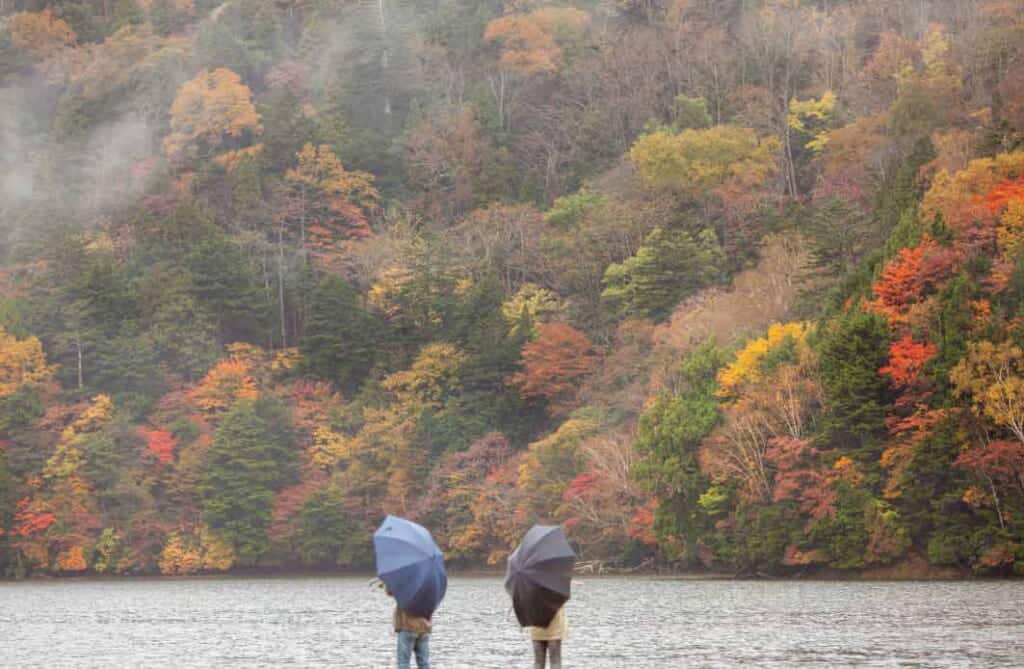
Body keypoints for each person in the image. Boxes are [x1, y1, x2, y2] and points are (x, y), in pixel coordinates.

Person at [390, 591, 432, 669]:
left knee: (403, 662)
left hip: (408, 627)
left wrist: (386, 584)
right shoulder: (429, 592)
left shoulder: (407, 589)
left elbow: (391, 592)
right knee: (424, 663)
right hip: (424, 628)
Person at [528, 605, 567, 669]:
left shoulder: (531, 595)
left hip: (536, 623)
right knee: (555, 661)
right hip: (555, 622)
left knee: (538, 662)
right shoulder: (557, 595)